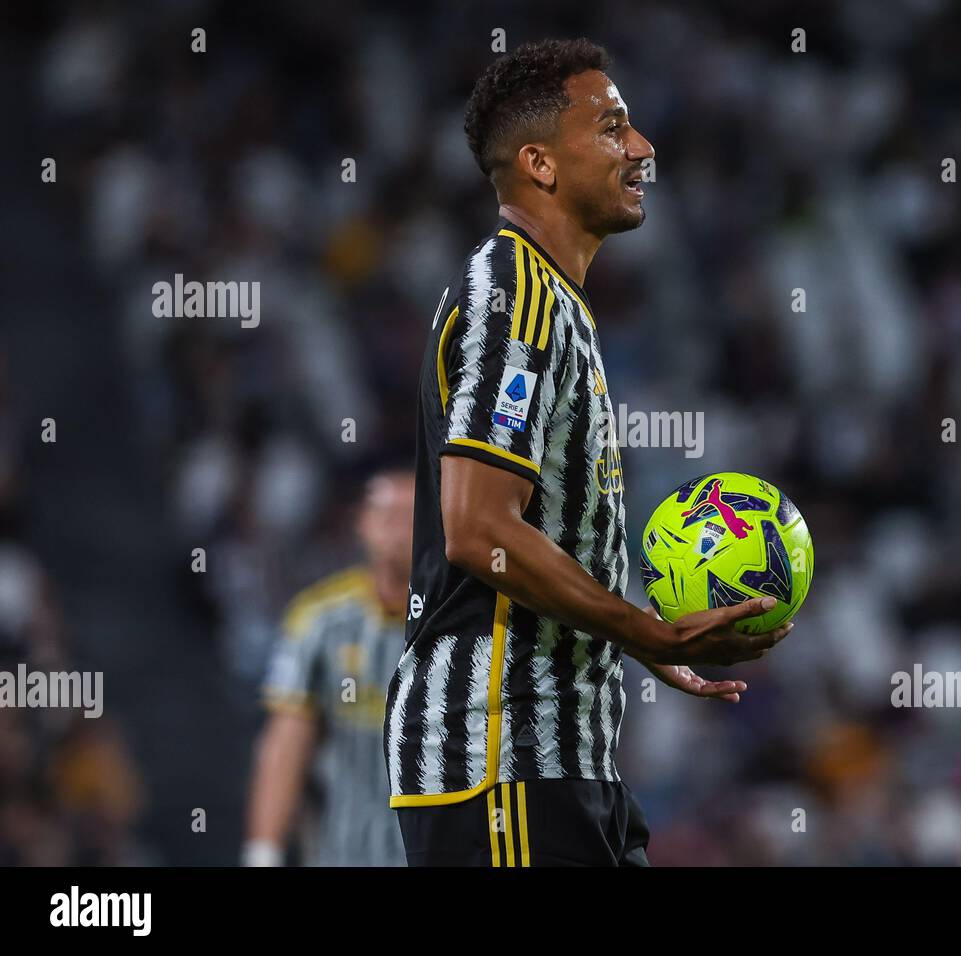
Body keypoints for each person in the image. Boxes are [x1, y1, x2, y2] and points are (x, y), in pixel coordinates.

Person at [385, 38, 791, 867]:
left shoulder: (553, 300)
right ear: (539, 162)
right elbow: (476, 528)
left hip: (565, 758)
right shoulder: (514, 295)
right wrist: (646, 629)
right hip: (497, 759)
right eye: (612, 128)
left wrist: (638, 642)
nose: (641, 149)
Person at [245, 471, 415, 866]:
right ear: (361, 522)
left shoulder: (460, 624)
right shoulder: (320, 621)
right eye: (385, 514)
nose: (397, 529)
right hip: (341, 852)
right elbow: (286, 744)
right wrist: (262, 853)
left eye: (410, 515)